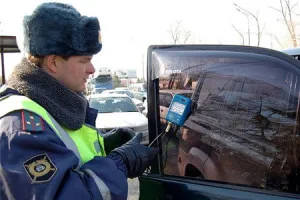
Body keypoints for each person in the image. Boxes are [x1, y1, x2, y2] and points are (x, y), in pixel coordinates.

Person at [0, 3, 158, 200]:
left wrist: (108, 146)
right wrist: (120, 162)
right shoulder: (21, 126)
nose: (92, 69)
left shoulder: (50, 106)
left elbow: (66, 155)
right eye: (84, 60)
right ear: (53, 63)